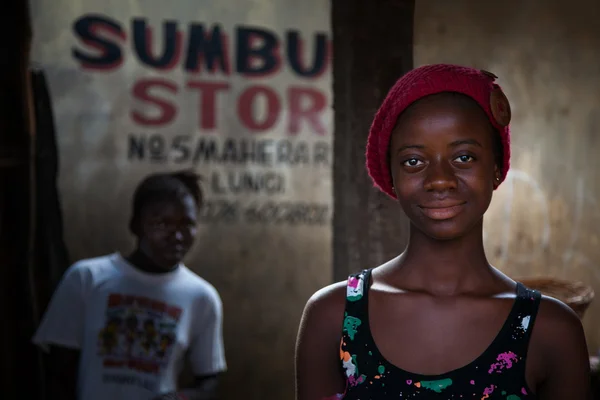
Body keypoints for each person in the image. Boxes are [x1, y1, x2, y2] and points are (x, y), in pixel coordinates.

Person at [295, 64, 591, 400]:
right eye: (413, 161)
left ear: (496, 168)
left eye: (464, 157)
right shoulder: (334, 316)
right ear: (390, 176)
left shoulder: (551, 330)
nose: (440, 179)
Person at [33, 170, 226, 400]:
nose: (177, 236)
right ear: (136, 225)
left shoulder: (201, 297)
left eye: (187, 224)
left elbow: (209, 384)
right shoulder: (87, 279)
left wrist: (179, 398)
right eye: (162, 223)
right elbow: (56, 373)